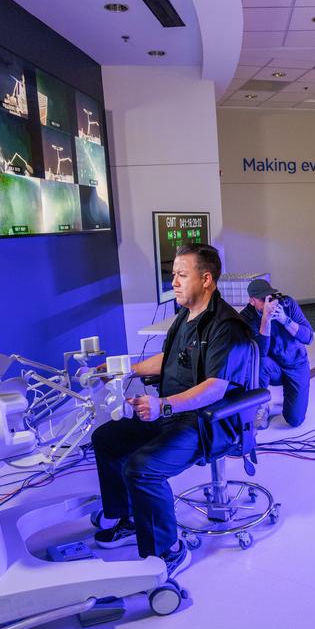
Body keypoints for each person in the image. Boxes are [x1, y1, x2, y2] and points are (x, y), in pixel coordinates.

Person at [90, 243, 257, 575]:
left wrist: (162, 405)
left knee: (142, 468)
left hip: (207, 422)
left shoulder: (227, 327)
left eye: (182, 275)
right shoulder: (185, 315)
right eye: (173, 276)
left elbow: (215, 388)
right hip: (171, 413)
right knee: (106, 439)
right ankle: (127, 518)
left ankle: (168, 552)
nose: (174, 283)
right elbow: (171, 359)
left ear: (206, 279)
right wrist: (128, 370)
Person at [240, 278, 314, 427]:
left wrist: (285, 320)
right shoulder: (247, 317)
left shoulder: (287, 304)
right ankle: (261, 404)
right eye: (263, 300)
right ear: (252, 301)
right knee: (257, 361)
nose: (270, 303)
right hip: (272, 367)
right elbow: (261, 352)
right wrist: (265, 320)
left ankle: (290, 394)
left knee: (295, 420)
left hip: (296, 364)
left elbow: (309, 337)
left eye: (271, 297)